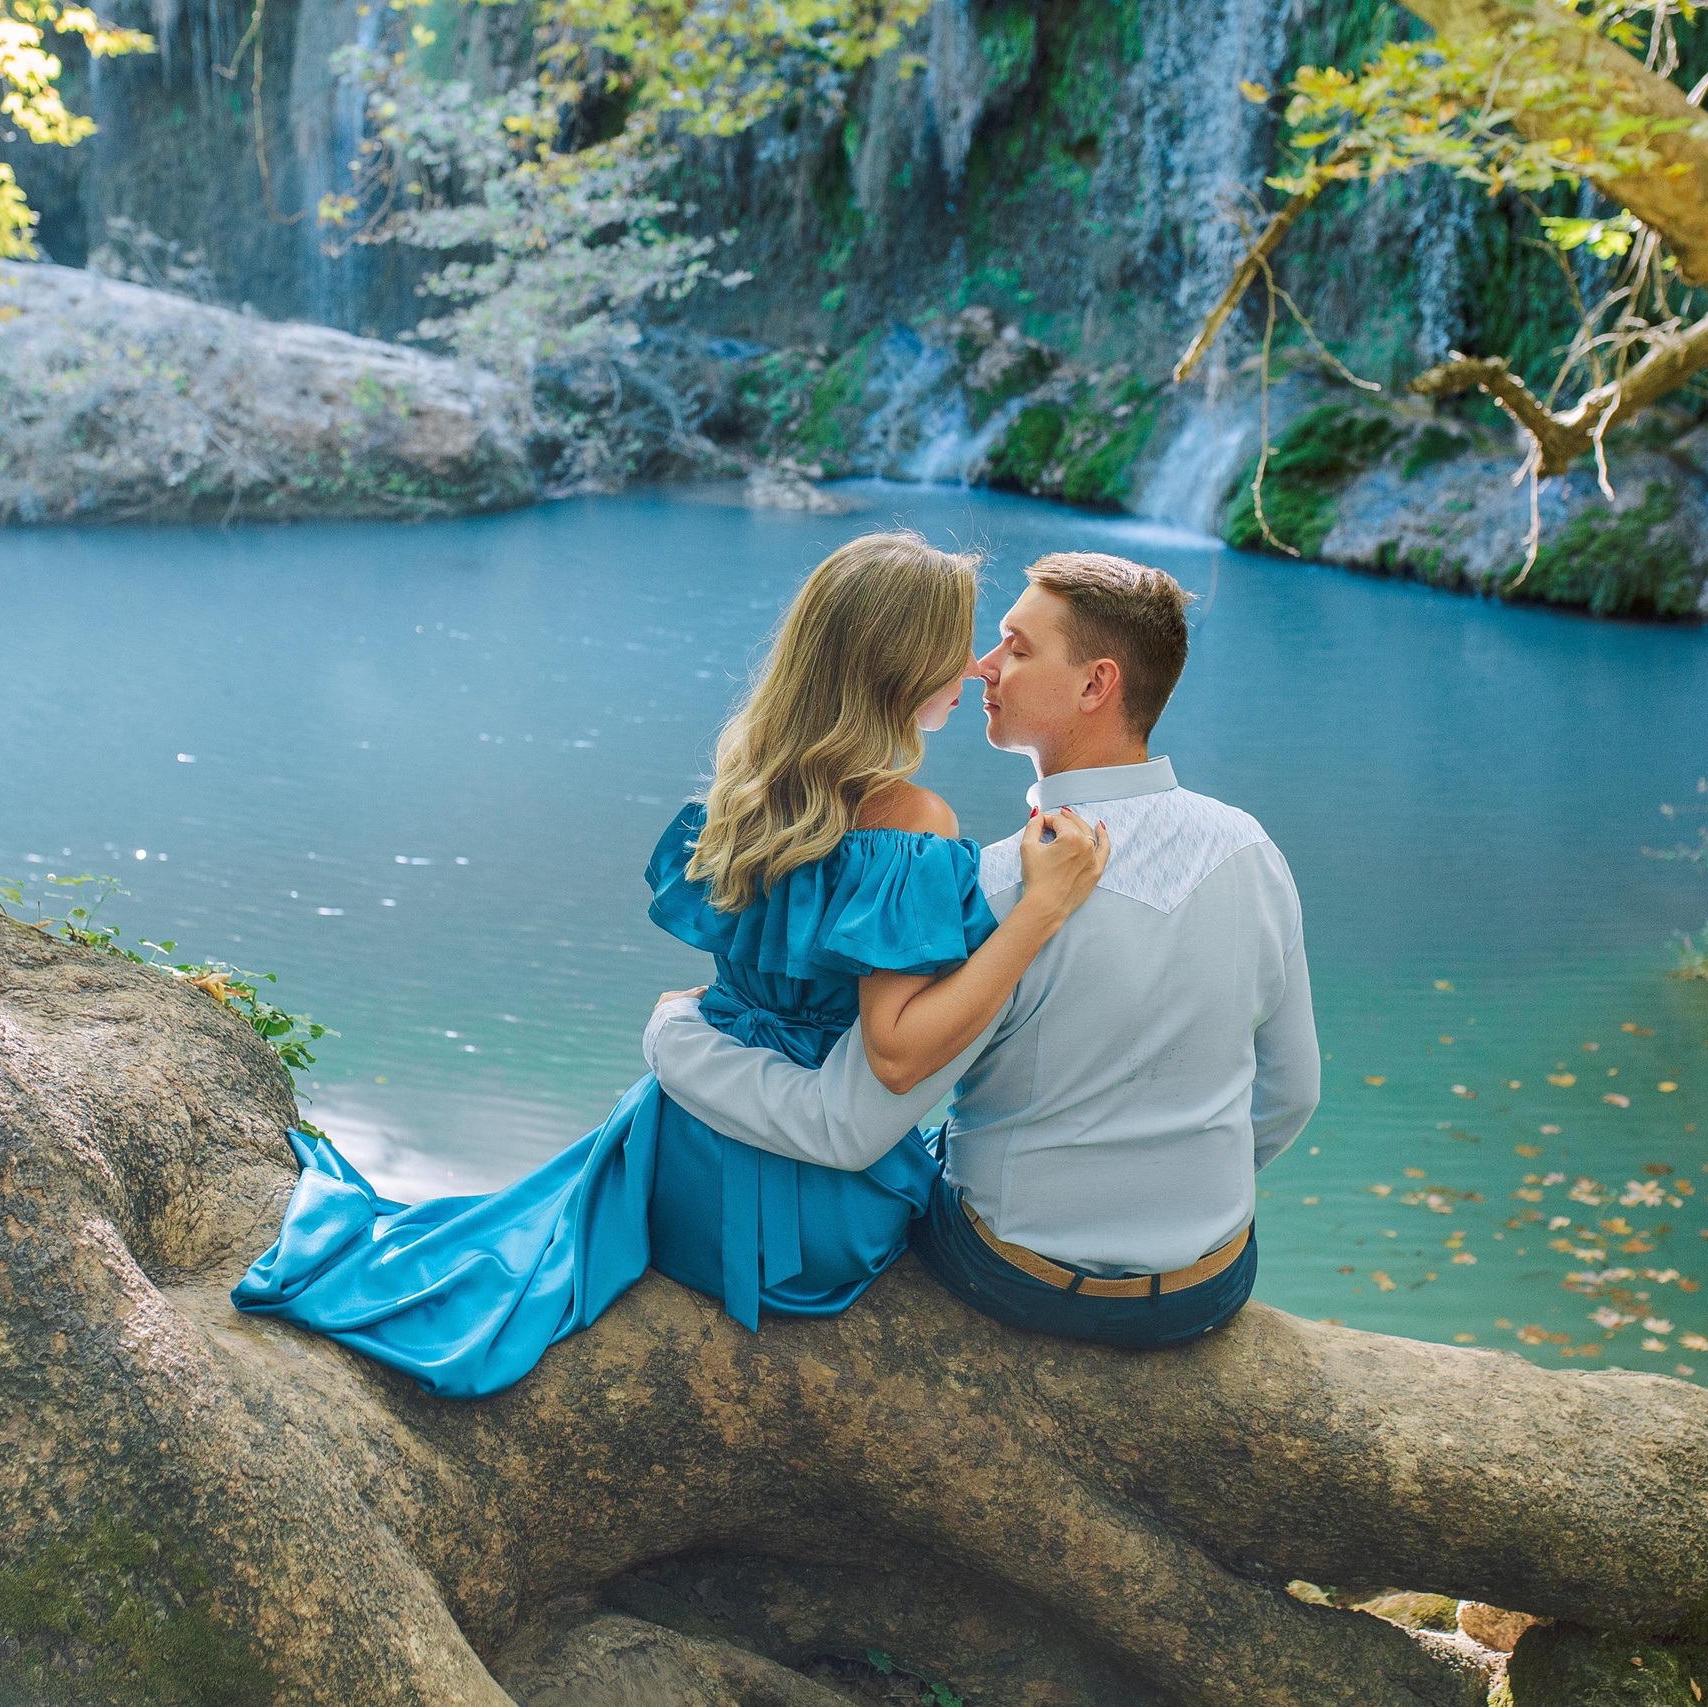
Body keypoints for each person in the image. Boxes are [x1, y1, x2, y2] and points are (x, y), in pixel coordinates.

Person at [232, 532, 1109, 1398]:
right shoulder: (910, 818)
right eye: (954, 644)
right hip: (797, 1225)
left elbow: (747, 979)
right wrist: (1039, 910)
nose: (972, 665)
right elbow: (895, 1048)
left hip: (670, 1162)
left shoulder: (753, 781)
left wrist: (691, 1022)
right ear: (897, 663)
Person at [644, 552, 1320, 1348]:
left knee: (910, 1164)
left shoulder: (994, 884)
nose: (983, 666)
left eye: (1016, 648)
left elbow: (848, 1120)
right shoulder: (1252, 849)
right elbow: (1292, 1092)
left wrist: (671, 1037)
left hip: (1018, 1279)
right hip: (1210, 1282)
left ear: (1096, 684)